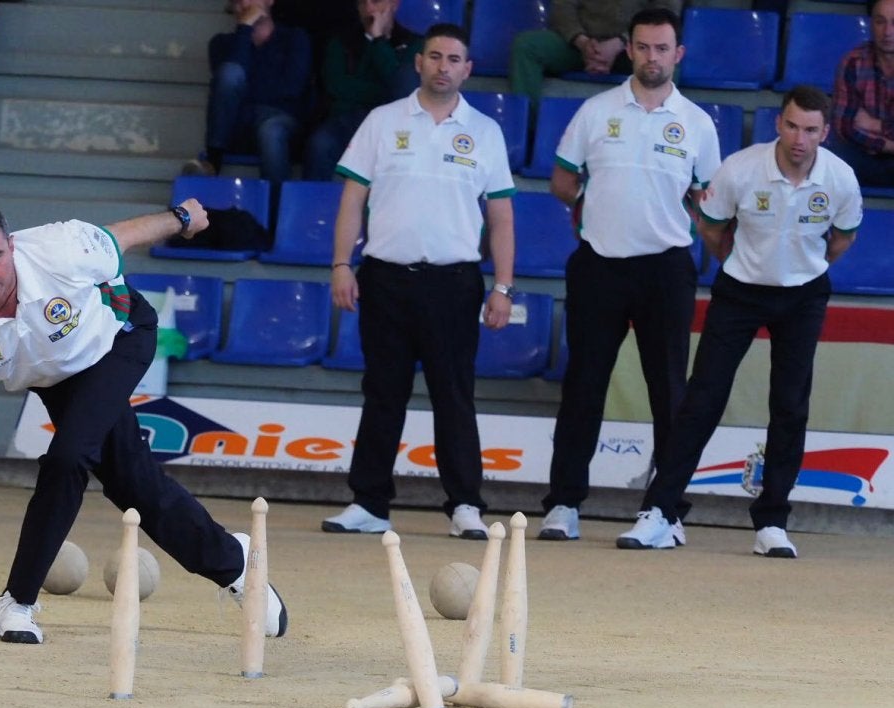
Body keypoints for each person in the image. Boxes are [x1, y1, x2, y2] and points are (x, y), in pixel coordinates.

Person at [0, 199, 288, 645]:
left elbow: (123, 236)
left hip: (118, 338)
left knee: (68, 457)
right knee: (133, 483)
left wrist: (184, 218)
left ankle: (17, 602)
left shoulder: (60, 248)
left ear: (12, 245)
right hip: (57, 377)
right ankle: (235, 562)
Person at [631, 86, 862, 558]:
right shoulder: (739, 168)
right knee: (702, 399)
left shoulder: (841, 179)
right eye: (793, 126)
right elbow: (712, 228)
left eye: (812, 130)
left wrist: (801, 267)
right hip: (739, 291)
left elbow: (842, 239)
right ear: (779, 123)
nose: (800, 138)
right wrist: (738, 263)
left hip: (803, 295)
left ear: (826, 133)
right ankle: (661, 512)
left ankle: (772, 522)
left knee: (790, 405)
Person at [320, 23, 517, 539]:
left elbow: (501, 218)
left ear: (468, 69)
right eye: (435, 56)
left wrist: (503, 287)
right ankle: (369, 503)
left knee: (455, 395)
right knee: (382, 392)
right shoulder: (382, 122)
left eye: (454, 59)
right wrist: (342, 263)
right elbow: (352, 200)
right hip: (385, 279)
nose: (444, 66)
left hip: (455, 283)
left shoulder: (487, 132)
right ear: (419, 63)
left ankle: (465, 504)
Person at [540, 8, 721, 547]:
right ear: (630, 49)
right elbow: (561, 179)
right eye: (642, 47)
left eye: (661, 48)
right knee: (583, 387)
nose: (651, 57)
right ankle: (565, 504)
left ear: (677, 54)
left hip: (666, 268)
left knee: (668, 392)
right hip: (598, 264)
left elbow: (707, 198)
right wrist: (590, 205)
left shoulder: (698, 123)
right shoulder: (596, 112)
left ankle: (666, 511)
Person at [181, 0, 313, 189]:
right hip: (238, 127)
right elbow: (226, 86)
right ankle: (213, 162)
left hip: (280, 122)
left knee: (270, 130)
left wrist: (245, 93)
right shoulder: (221, 44)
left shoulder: (294, 38)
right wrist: (244, 29)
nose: (245, 3)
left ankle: (276, 212)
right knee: (231, 72)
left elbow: (291, 89)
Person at [302, 0, 420, 181]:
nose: (369, 9)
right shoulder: (340, 41)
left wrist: (378, 41)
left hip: (392, 123)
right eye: (362, 3)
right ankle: (311, 205)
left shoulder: (413, 43)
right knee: (320, 143)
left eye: (376, 1)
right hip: (346, 119)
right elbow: (337, 86)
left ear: (394, 4)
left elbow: (402, 90)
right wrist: (384, 93)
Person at [509, 0, 682, 109]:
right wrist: (582, 42)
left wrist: (620, 43)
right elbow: (562, 8)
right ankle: (528, 133)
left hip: (635, 47)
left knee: (667, 63)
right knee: (528, 46)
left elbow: (666, 15)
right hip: (580, 45)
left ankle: (657, 132)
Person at [829, 0, 894, 189]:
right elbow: (845, 127)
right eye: (880, 21)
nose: (888, 32)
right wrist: (889, 145)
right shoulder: (853, 62)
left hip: (873, 149)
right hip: (862, 157)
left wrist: (875, 125)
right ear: (871, 23)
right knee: (834, 156)